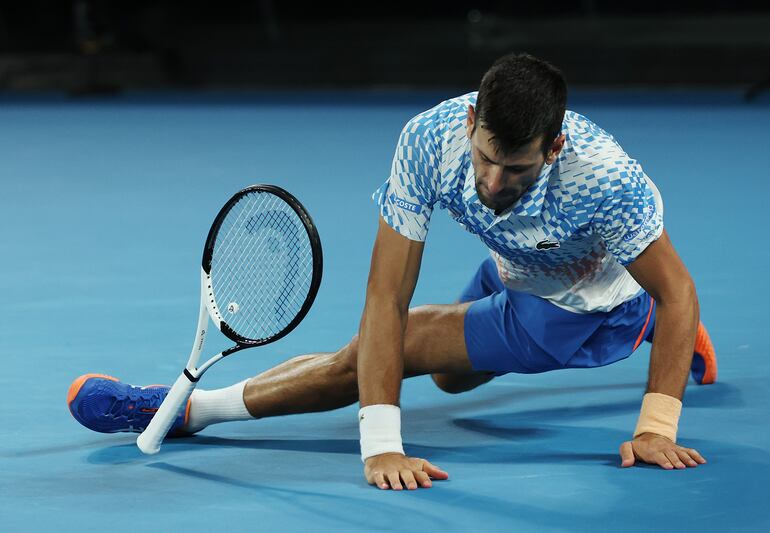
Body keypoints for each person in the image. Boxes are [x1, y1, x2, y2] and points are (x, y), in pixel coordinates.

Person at [68, 53, 716, 491]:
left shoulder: (603, 178)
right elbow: (386, 293)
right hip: (515, 265)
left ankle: (186, 410)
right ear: (470, 124)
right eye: (487, 157)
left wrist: (655, 426)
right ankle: (652, 331)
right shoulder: (429, 140)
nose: (494, 182)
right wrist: (382, 437)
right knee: (450, 378)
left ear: (555, 147)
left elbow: (678, 287)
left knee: (376, 357)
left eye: (517, 170)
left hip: (579, 309)